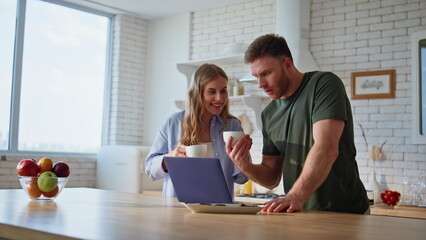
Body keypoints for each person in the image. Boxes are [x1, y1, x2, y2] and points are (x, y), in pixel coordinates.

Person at [226, 34, 370, 214]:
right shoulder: (269, 114)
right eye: (256, 76)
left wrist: (294, 196)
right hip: (299, 213)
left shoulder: (324, 85)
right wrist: (244, 165)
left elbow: (326, 148)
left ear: (287, 64)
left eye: (266, 73)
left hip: (345, 211)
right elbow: (271, 178)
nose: (261, 84)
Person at [145, 63, 248, 197]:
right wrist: (168, 159)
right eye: (212, 92)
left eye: (223, 91)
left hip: (219, 209)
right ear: (197, 94)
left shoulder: (233, 126)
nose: (220, 98)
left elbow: (242, 178)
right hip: (179, 208)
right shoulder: (174, 123)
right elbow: (149, 168)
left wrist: (242, 160)